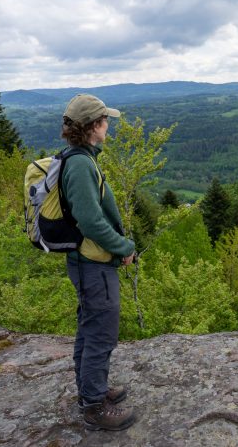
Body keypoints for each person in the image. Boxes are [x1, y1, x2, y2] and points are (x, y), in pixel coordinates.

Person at [60, 94, 137, 431]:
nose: (109, 126)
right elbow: (90, 221)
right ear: (93, 126)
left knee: (90, 329)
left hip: (88, 261)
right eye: (105, 121)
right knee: (101, 335)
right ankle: (94, 407)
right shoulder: (79, 164)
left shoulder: (81, 158)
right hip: (93, 264)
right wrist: (122, 247)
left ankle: (92, 391)